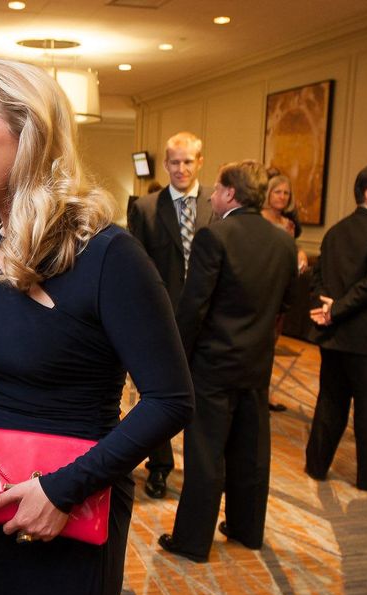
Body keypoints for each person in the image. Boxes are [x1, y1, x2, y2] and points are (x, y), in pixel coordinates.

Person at [0, 58, 193, 595]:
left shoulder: (109, 256)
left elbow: (171, 398)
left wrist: (61, 489)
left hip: (72, 506)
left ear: (29, 134)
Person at [158, 161, 298, 563]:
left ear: (231, 194)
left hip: (213, 364)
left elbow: (194, 307)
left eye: (217, 189)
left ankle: (192, 540)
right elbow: (285, 305)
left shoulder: (213, 237)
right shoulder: (284, 242)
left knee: (206, 453)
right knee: (251, 452)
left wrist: (176, 359)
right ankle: (246, 529)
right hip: (257, 362)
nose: (213, 196)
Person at [305, 163, 367, 491]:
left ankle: (316, 465)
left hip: (333, 335)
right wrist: (336, 311)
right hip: (365, 338)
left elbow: (319, 276)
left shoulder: (336, 230)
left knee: (330, 402)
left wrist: (326, 308)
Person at [127, 131, 213, 499]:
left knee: (204, 398)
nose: (180, 169)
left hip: (208, 321)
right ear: (165, 164)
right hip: (161, 319)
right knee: (159, 395)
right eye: (174, 162)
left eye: (188, 162)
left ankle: (202, 470)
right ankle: (159, 465)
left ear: (200, 162)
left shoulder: (216, 204)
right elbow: (137, 269)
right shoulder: (146, 208)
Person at [260, 173, 309, 412]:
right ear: (268, 193)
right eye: (277, 191)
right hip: (261, 288)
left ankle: (265, 394)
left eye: (286, 193)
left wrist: (299, 254)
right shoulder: (258, 219)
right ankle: (256, 394)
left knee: (272, 344)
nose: (281, 196)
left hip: (282, 290)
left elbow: (292, 250)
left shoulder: (288, 224)